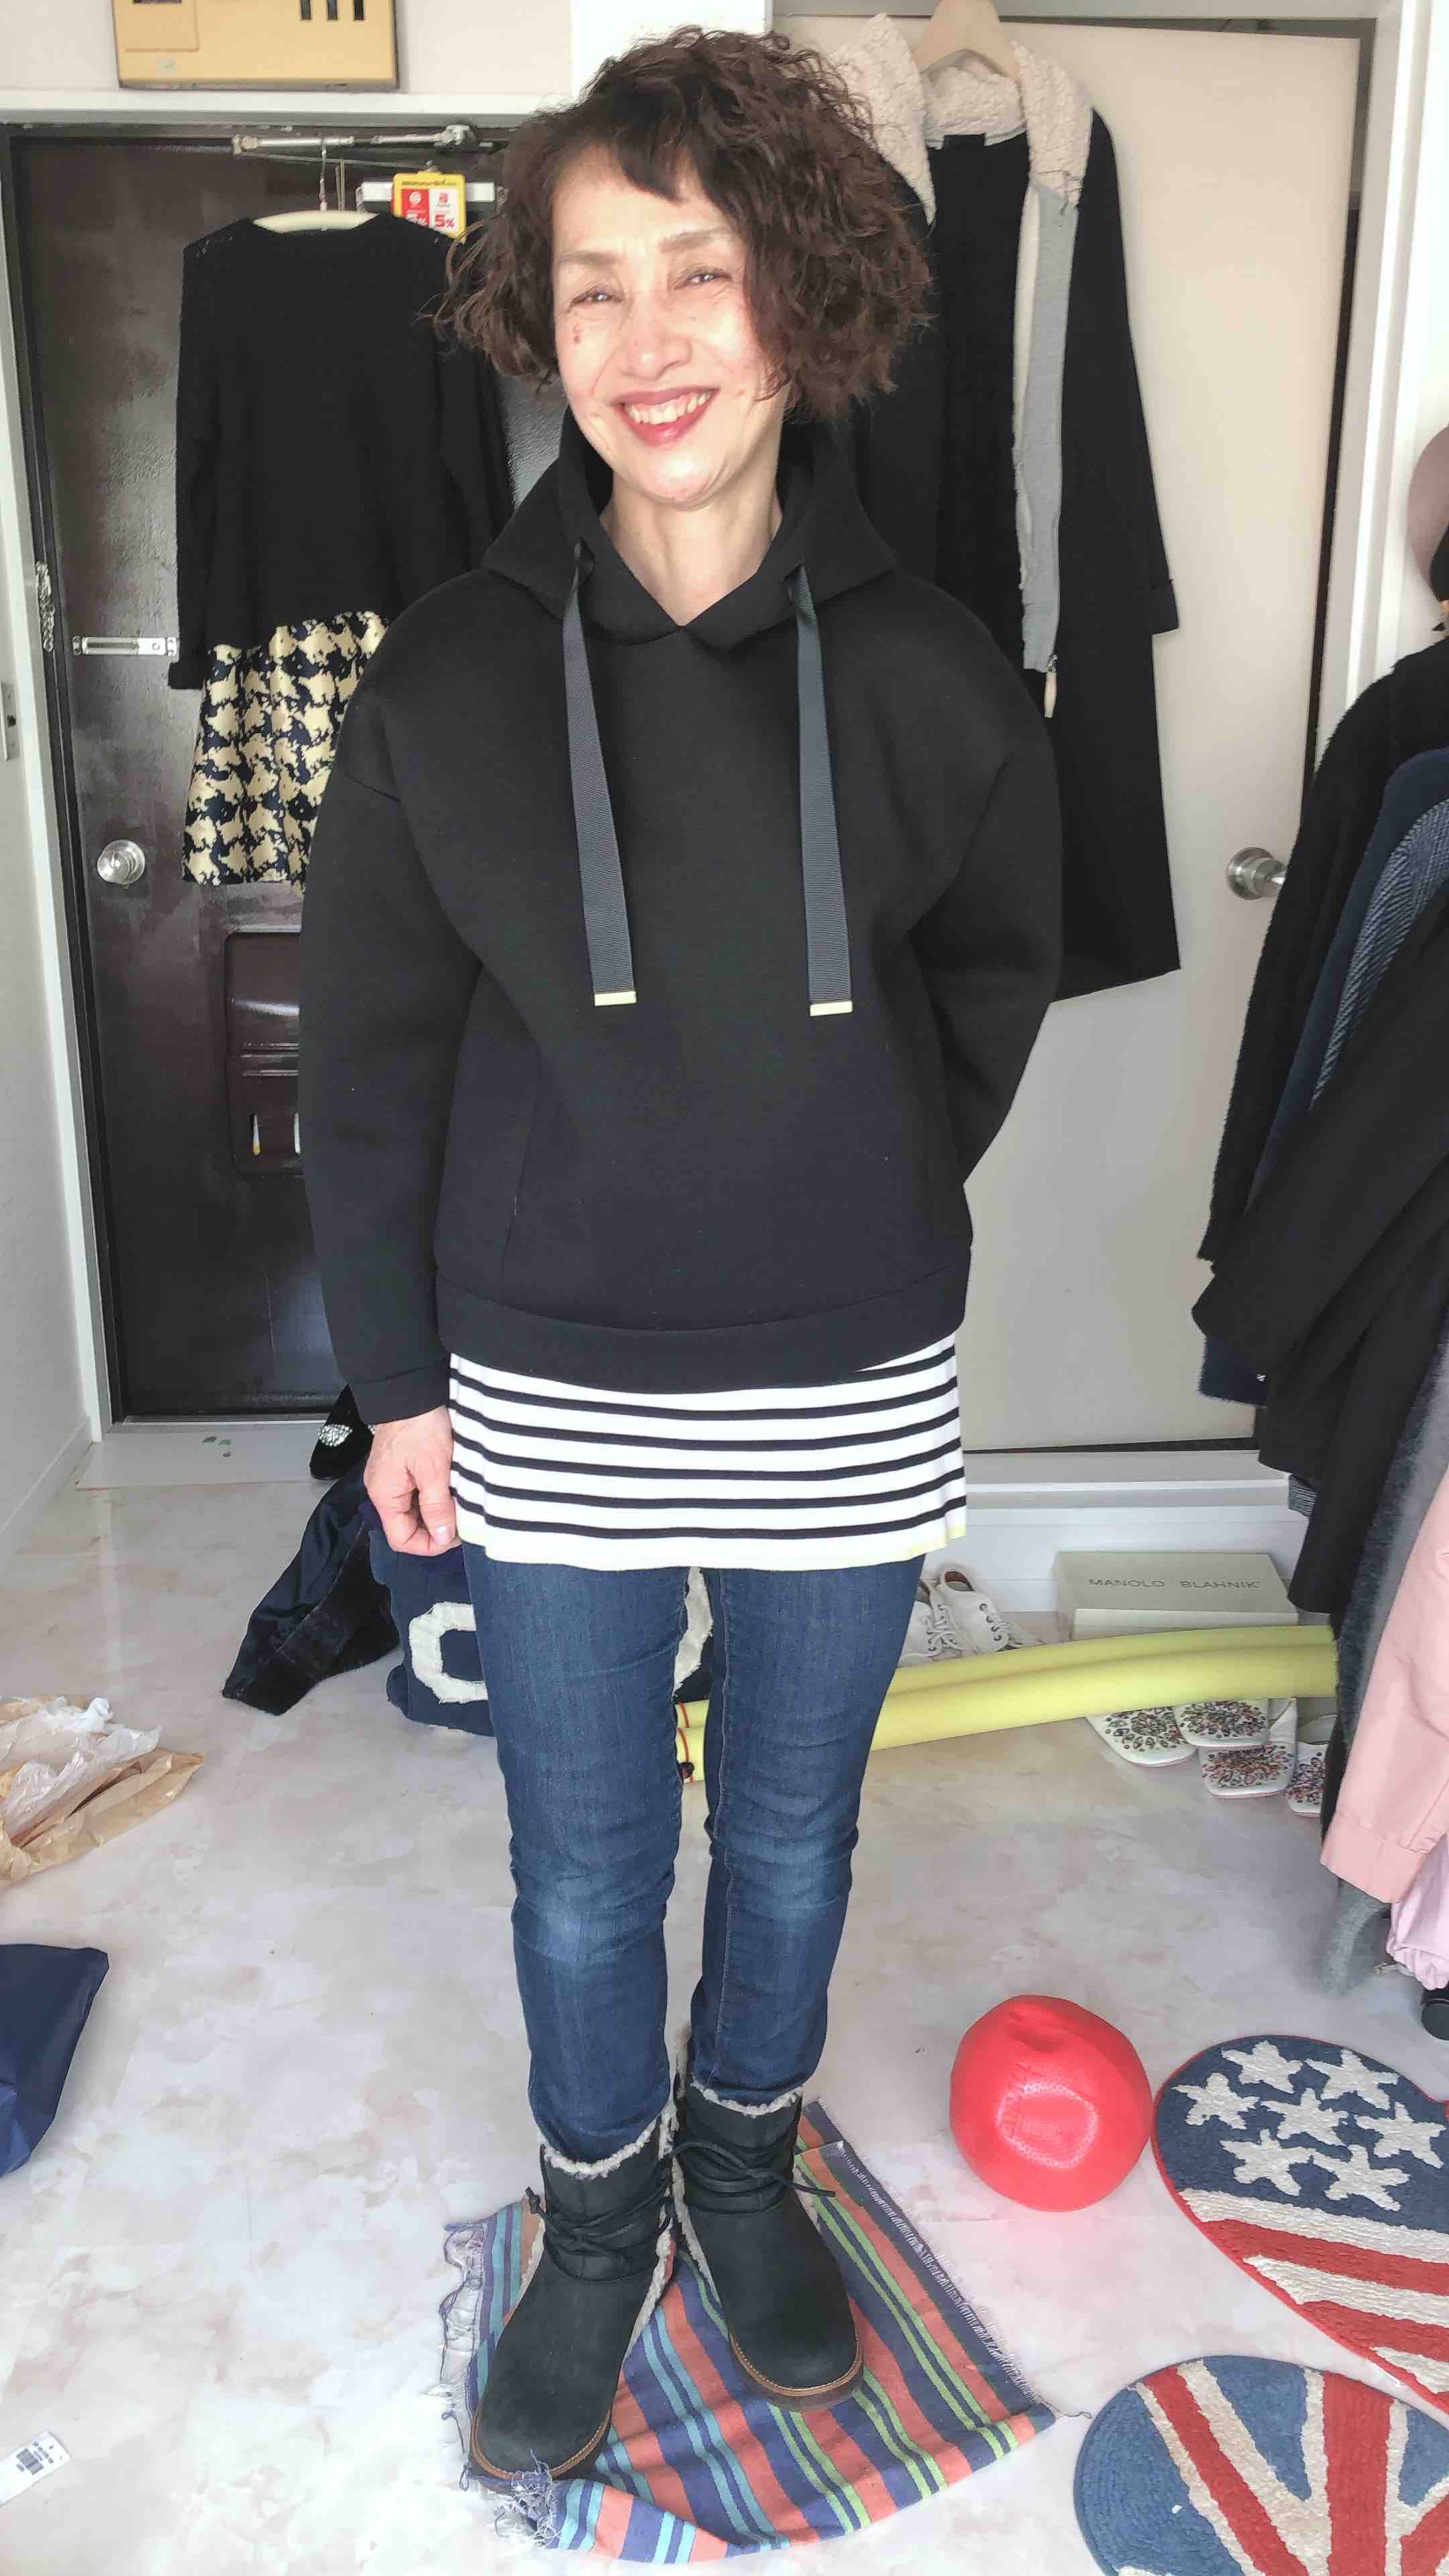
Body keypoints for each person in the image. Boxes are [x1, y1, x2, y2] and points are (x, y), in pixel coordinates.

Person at [299, 24, 1062, 2491]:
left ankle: (746, 2164)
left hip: (850, 1368)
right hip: (541, 1375)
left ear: (796, 297)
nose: (646, 341)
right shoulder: (445, 680)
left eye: (699, 273)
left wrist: (850, 1179)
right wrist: (400, 1382)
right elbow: (376, 1061)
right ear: (541, 324)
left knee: (800, 1833)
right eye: (594, 286)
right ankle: (600, 2206)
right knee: (586, 1860)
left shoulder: (934, 670)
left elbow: (988, 992)